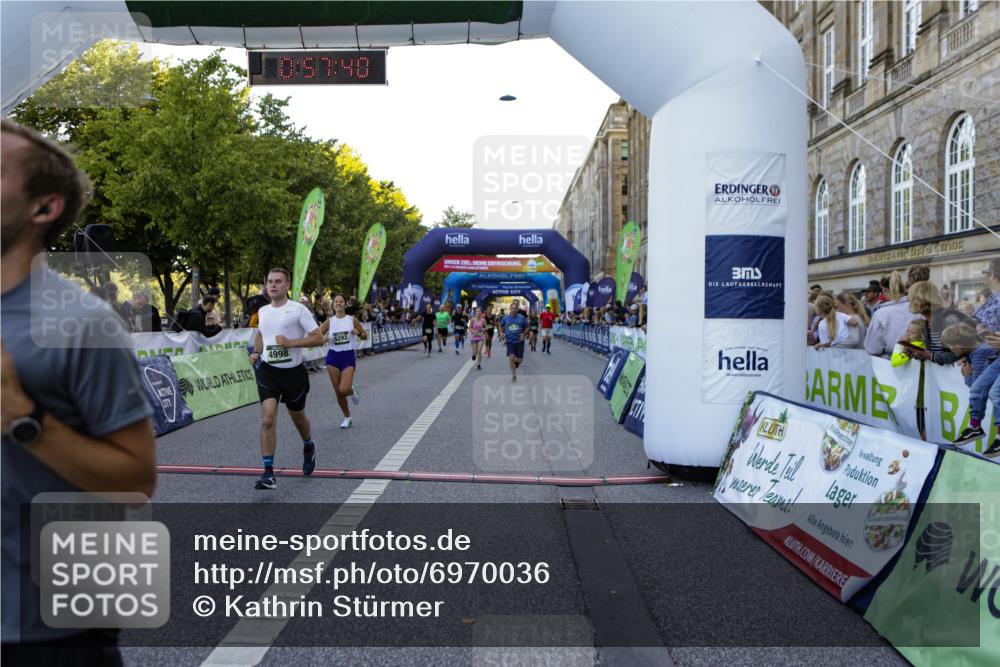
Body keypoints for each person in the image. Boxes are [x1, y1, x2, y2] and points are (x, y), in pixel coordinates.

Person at [1, 119, 155, 663]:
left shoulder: (84, 324)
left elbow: (135, 481)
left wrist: (23, 417)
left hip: (45, 631)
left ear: (44, 209)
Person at [249, 268, 322, 489]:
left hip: (293, 374)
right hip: (268, 372)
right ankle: (268, 473)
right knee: (267, 419)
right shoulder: (262, 311)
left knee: (298, 418)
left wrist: (292, 343)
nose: (273, 285)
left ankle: (308, 445)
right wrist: (256, 352)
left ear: (287, 285)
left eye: (278, 281)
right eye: (270, 281)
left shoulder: (298, 310)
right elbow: (261, 334)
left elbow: (318, 338)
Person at [315, 293, 367, 429]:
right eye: (336, 301)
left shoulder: (352, 320)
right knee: (338, 392)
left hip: (348, 356)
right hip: (333, 357)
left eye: (341, 301)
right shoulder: (329, 322)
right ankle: (347, 417)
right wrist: (326, 338)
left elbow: (365, 336)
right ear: (333, 304)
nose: (338, 303)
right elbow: (316, 337)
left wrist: (358, 333)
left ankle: (352, 391)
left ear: (345, 304)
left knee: (344, 388)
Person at [864, 271, 913, 358]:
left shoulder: (881, 314)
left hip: (891, 363)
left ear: (885, 290)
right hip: (918, 361)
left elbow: (873, 348)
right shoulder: (915, 308)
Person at [499, 300, 529, 382]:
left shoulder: (521, 318)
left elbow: (527, 327)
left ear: (517, 309)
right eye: (512, 308)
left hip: (519, 341)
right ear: (510, 309)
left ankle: (517, 362)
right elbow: (500, 325)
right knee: (511, 358)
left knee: (519, 360)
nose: (514, 310)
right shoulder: (506, 318)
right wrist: (501, 332)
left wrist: (523, 334)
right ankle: (514, 375)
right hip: (510, 341)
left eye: (515, 308)